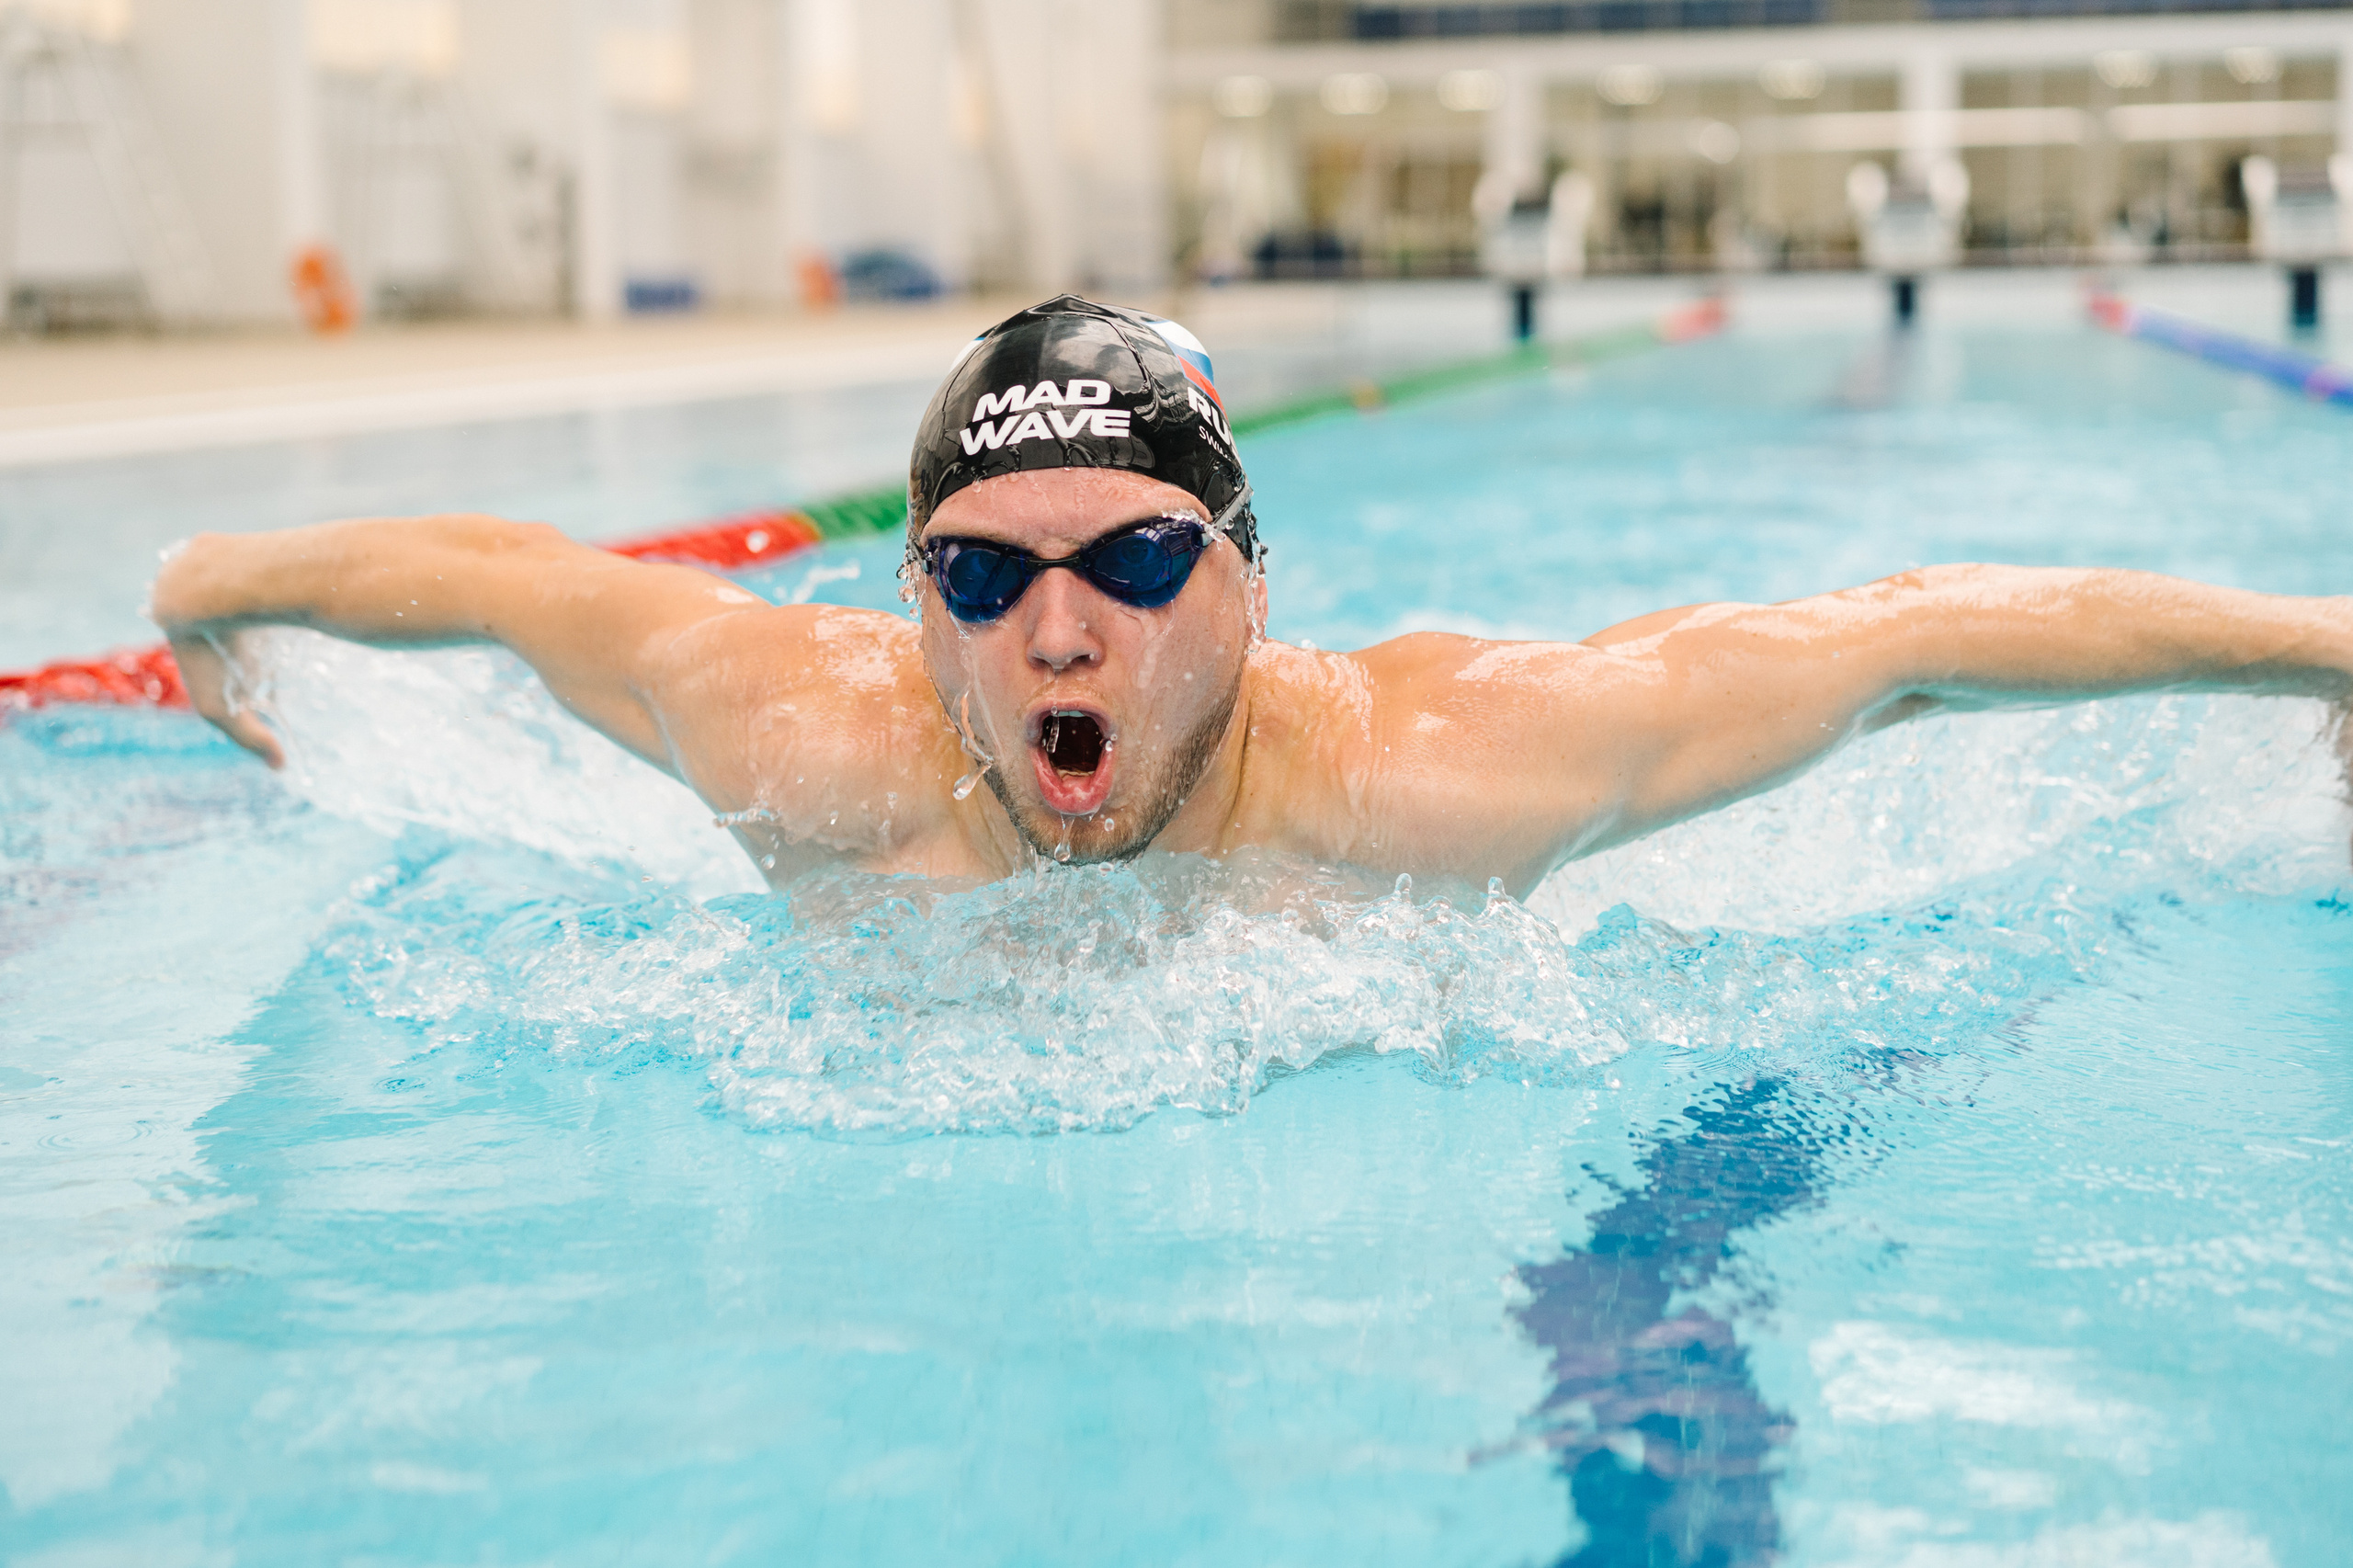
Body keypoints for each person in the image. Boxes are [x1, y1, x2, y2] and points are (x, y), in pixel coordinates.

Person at [152, 295, 2352, 895]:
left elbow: (1909, 638)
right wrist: (211, 576)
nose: (1058, 632)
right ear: (912, 598)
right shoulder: (800, 740)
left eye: (1127, 559)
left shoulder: (1435, 773)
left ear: (1242, 586)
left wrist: (2326, 648)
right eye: (982, 578)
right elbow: (503, 579)